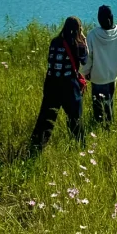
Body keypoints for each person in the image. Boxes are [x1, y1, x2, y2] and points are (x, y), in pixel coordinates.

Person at [29, 15, 88, 153]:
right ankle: (79, 145)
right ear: (78, 29)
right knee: (75, 118)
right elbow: (85, 60)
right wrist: (84, 41)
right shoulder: (77, 44)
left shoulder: (55, 41)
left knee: (47, 116)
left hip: (51, 83)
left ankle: (37, 144)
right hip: (69, 85)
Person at [83, 4, 117, 127]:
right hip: (113, 74)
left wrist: (86, 71)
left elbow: (88, 56)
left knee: (98, 104)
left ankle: (99, 126)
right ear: (112, 17)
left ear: (98, 19)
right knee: (110, 101)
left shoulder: (92, 35)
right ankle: (109, 124)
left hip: (97, 76)